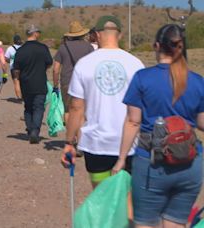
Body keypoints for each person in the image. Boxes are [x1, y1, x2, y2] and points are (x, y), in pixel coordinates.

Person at [112, 24, 204, 228]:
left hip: (152, 163)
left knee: (145, 223)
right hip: (190, 164)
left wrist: (120, 160)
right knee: (175, 223)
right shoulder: (198, 81)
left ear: (156, 46)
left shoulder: (143, 78)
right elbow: (201, 123)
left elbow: (133, 121)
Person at [60, 16, 144, 188]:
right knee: (126, 199)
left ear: (97, 35)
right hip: (129, 144)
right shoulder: (136, 64)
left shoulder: (84, 65)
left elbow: (76, 108)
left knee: (102, 197)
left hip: (96, 144)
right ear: (119, 35)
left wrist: (69, 142)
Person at [13, 25, 53, 144]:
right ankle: (35, 130)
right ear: (35, 34)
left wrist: (17, 82)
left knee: (28, 107)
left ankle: (31, 129)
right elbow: (49, 63)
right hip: (40, 82)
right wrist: (42, 68)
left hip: (25, 83)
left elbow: (16, 69)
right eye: (38, 32)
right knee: (39, 107)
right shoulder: (43, 48)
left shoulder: (20, 50)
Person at [52, 21, 93, 126]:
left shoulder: (63, 47)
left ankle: (70, 137)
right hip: (84, 83)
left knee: (67, 110)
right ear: (82, 33)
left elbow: (55, 69)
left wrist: (55, 85)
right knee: (82, 110)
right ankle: (79, 136)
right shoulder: (88, 47)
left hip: (67, 82)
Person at [5, 34, 23, 99]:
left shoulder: (10, 48)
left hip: (14, 68)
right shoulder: (23, 48)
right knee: (23, 82)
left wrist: (11, 61)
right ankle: (24, 96)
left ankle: (19, 97)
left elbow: (6, 58)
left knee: (16, 82)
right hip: (23, 67)